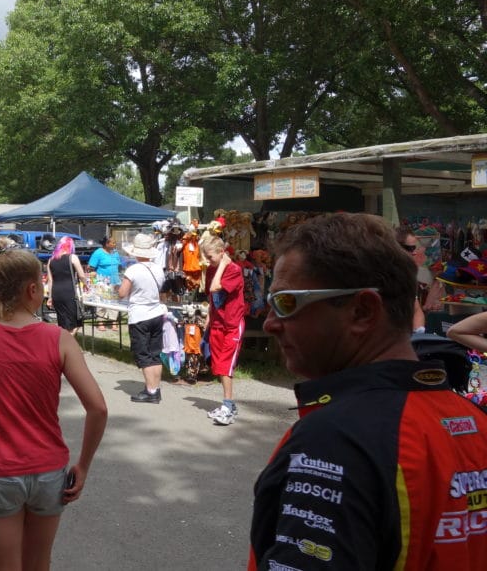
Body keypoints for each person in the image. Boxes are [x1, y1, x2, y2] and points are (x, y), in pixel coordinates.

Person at [249, 212, 487, 569]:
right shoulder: (473, 420)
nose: (270, 323)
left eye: (287, 303)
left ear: (362, 310)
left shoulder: (335, 439)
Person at [0, 243, 107, 571]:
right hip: (48, 471)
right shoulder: (60, 339)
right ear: (31, 289)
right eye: (42, 285)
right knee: (38, 563)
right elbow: (98, 407)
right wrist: (82, 466)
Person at [198, 229, 245, 425]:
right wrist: (209, 316)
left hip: (232, 324)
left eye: (210, 257)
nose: (208, 262)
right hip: (217, 323)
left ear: (221, 253)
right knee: (217, 365)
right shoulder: (212, 269)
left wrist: (224, 264)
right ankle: (228, 404)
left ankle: (228, 406)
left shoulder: (233, 270)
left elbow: (216, 288)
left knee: (225, 366)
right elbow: (211, 295)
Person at [117, 233, 167, 403]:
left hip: (139, 315)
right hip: (156, 312)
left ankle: (151, 391)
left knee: (143, 353)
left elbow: (122, 293)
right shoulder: (158, 268)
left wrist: (121, 289)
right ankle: (156, 388)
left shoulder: (133, 270)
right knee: (155, 353)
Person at [46, 236, 87, 335]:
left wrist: (50, 297)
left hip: (56, 293)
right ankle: (63, 347)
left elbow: (50, 281)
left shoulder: (51, 260)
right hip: (69, 292)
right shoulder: (72, 257)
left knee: (63, 322)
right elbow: (81, 275)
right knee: (75, 322)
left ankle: (64, 344)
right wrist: (85, 284)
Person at [396, 227, 427, 333]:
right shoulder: (381, 274)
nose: (414, 253)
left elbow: (416, 309)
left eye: (415, 248)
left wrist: (419, 332)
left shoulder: (407, 273)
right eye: (410, 248)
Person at [88, 235, 122, 331]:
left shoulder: (115, 253)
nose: (115, 244)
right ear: (106, 244)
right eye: (113, 243)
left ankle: (113, 322)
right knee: (101, 302)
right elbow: (90, 267)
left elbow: (118, 265)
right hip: (102, 282)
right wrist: (93, 279)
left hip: (115, 281)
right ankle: (101, 322)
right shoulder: (98, 253)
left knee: (114, 302)